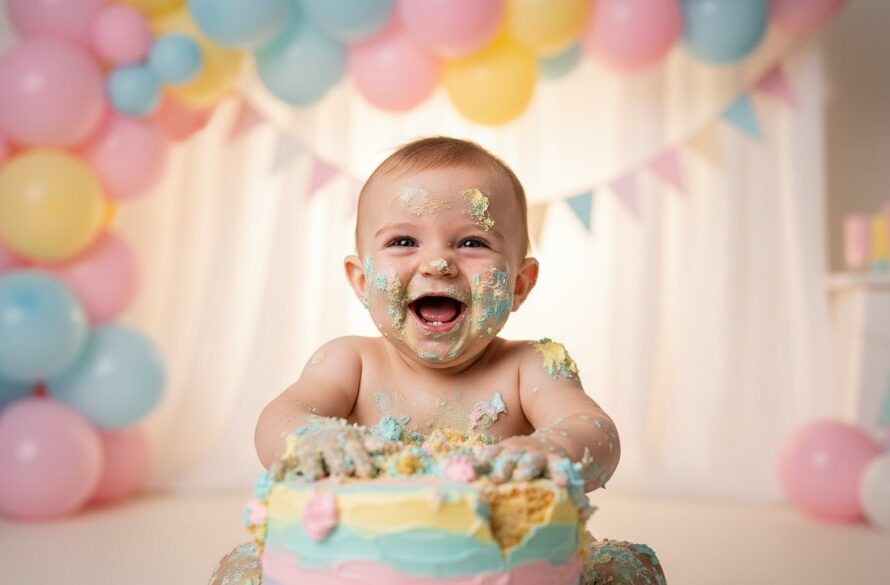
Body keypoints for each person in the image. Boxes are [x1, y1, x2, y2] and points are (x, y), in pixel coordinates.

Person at [211, 137, 666, 585]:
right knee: (241, 569)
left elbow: (595, 432)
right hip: (359, 570)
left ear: (519, 284)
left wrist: (552, 450)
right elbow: (280, 418)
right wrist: (312, 438)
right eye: (404, 240)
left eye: (471, 242)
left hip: (505, 566)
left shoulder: (531, 367)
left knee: (629, 568)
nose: (438, 263)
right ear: (362, 281)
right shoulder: (351, 361)